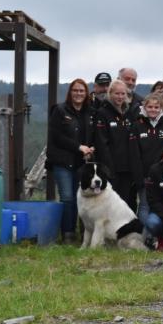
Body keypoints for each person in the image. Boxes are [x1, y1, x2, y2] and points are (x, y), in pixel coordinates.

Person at [46, 78, 96, 243]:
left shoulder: (90, 112)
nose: (78, 94)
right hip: (62, 161)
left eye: (82, 91)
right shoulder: (59, 110)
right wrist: (78, 147)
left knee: (80, 198)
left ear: (86, 93)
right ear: (70, 92)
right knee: (67, 198)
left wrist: (91, 148)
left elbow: (93, 135)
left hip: (82, 164)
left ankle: (83, 234)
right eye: (75, 90)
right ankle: (67, 234)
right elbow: (56, 136)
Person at [93, 79, 141, 211]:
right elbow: (102, 143)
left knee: (125, 203)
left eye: (123, 94)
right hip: (111, 169)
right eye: (117, 93)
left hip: (127, 168)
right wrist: (109, 169)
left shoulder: (129, 114)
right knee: (109, 203)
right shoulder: (103, 113)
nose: (120, 97)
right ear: (110, 93)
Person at [134, 93, 163, 230]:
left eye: (156, 107)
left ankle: (161, 235)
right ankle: (144, 237)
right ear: (144, 108)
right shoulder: (137, 125)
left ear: (161, 108)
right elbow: (134, 154)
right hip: (145, 175)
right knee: (144, 205)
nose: (153, 109)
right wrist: (139, 176)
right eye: (150, 107)